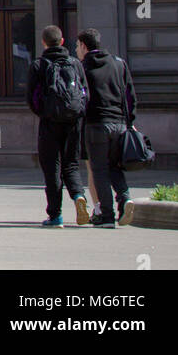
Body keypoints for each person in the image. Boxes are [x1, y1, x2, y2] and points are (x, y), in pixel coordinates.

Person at [26, 25, 90, 227]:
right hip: (73, 121)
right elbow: (85, 93)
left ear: (44, 42)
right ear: (62, 42)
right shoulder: (75, 63)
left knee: (52, 167)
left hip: (50, 122)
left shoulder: (39, 65)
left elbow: (31, 98)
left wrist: (45, 113)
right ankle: (79, 195)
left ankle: (55, 215)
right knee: (71, 164)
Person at [76, 28, 137, 228]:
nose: (76, 50)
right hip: (119, 123)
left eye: (77, 46)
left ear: (84, 46)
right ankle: (125, 198)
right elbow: (129, 96)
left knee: (99, 169)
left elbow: (80, 97)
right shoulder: (119, 64)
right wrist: (129, 122)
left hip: (96, 124)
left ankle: (107, 216)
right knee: (114, 166)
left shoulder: (82, 67)